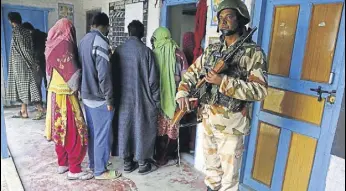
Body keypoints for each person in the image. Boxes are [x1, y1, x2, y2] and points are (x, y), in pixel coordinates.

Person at [175, 0, 268, 190]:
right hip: (208, 119)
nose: (223, 22)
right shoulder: (213, 50)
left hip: (231, 126)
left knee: (228, 181)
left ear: (240, 19)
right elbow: (192, 72)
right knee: (211, 172)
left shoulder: (253, 53)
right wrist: (183, 91)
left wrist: (223, 82)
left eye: (229, 16)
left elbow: (260, 90)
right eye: (220, 18)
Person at [45, 18, 93, 180]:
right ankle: (74, 169)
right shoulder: (65, 45)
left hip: (53, 94)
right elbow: (73, 74)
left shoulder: (50, 43)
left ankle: (63, 163)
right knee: (75, 131)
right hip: (66, 95)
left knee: (59, 130)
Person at [111, 20, 160, 175]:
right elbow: (153, 81)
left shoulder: (118, 51)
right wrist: (156, 102)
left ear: (128, 32)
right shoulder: (146, 52)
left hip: (122, 98)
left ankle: (126, 162)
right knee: (142, 128)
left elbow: (111, 76)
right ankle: (143, 163)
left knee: (124, 127)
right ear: (142, 33)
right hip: (142, 99)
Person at [79, 12, 121, 180]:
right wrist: (109, 99)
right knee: (102, 135)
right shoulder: (100, 42)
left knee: (93, 133)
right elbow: (104, 75)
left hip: (87, 95)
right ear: (105, 26)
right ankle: (100, 171)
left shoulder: (84, 41)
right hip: (99, 97)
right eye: (108, 27)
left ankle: (93, 164)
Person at [150, 27, 189, 166]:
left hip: (157, 99)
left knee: (159, 128)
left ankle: (158, 155)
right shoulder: (179, 54)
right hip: (175, 99)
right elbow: (186, 77)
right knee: (172, 127)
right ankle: (166, 155)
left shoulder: (153, 53)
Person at [6, 12, 45, 120]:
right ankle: (23, 111)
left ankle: (41, 109)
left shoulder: (17, 31)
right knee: (25, 88)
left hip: (21, 65)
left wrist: (31, 62)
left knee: (29, 88)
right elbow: (29, 48)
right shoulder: (26, 31)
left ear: (11, 21)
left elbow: (24, 49)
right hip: (24, 63)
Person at [22, 22, 48, 89]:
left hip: (37, 63)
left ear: (27, 30)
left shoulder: (31, 37)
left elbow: (34, 50)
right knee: (47, 84)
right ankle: (49, 99)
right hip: (47, 62)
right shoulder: (44, 34)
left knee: (36, 86)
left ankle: (38, 100)